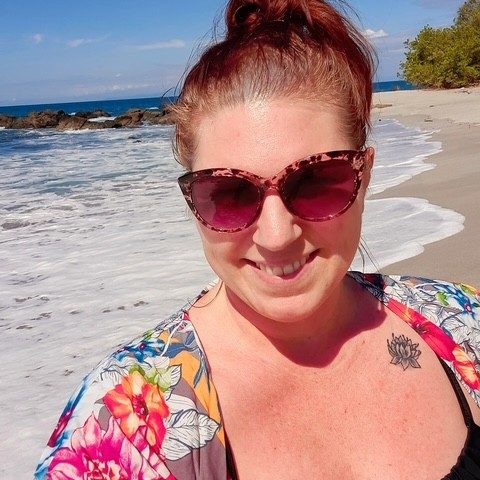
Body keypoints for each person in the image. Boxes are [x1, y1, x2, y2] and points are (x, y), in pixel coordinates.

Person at [35, 0, 480, 479]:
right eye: (230, 193)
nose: (276, 235)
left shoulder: (461, 323)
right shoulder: (124, 426)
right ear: (193, 201)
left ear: (364, 176)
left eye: (316, 181)